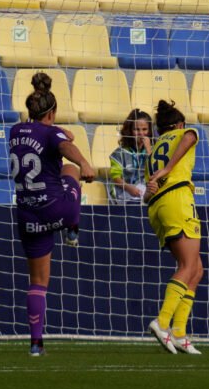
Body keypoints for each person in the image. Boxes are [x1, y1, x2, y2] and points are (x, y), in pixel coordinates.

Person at [9, 73, 95, 357]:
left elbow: (55, 135)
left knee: (37, 282)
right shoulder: (51, 134)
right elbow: (66, 145)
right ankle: (73, 228)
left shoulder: (15, 131)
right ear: (53, 112)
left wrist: (58, 131)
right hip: (57, 210)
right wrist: (83, 162)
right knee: (68, 171)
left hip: (27, 215)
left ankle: (35, 344)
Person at [144, 100, 203, 355]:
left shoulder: (154, 149)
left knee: (197, 270)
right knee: (188, 266)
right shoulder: (183, 133)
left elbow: (148, 192)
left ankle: (179, 332)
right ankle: (162, 322)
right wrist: (170, 168)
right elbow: (191, 136)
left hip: (157, 206)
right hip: (178, 200)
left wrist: (154, 183)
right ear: (179, 124)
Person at [108, 109, 152, 204]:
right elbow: (115, 177)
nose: (141, 133)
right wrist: (129, 188)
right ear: (129, 131)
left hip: (145, 195)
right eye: (136, 129)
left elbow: (155, 171)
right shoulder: (119, 153)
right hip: (124, 194)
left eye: (144, 129)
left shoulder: (153, 150)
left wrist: (149, 151)